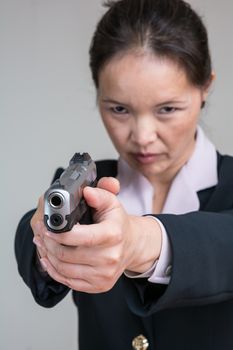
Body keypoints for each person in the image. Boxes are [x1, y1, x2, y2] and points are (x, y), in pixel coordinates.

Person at [15, 0, 233, 349]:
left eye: (167, 109)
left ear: (205, 87)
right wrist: (45, 239)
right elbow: (29, 241)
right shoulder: (85, 189)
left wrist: (137, 241)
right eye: (118, 108)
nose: (142, 136)